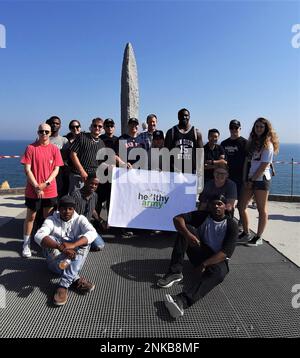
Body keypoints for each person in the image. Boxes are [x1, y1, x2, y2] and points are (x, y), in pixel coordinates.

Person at [157, 194, 238, 319]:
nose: (216, 206)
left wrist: (204, 264)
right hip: (201, 252)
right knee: (185, 229)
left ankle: (182, 301)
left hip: (218, 259)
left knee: (219, 274)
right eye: (214, 203)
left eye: (220, 204)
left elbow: (226, 253)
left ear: (225, 207)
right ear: (210, 206)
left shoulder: (231, 224)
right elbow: (177, 219)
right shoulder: (203, 216)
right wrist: (188, 235)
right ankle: (175, 272)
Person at [34, 195, 97, 306]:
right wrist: (61, 248)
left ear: (74, 209)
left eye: (70, 208)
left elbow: (92, 233)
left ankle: (63, 285)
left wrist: (73, 245)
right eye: (63, 208)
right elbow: (38, 235)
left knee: (85, 241)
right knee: (50, 239)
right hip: (55, 261)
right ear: (58, 208)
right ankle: (75, 278)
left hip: (71, 259)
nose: (66, 211)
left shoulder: (80, 219)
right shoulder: (51, 219)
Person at [21, 123, 64, 258]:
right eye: (41, 131)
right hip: (33, 190)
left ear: (50, 133)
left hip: (50, 190)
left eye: (46, 131)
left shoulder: (54, 149)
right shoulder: (30, 148)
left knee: (48, 218)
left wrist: (46, 183)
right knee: (31, 217)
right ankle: (26, 244)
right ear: (37, 132)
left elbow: (56, 169)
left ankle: (47, 244)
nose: (44, 134)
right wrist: (36, 186)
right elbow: (27, 169)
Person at [239, 117, 279, 246]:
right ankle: (246, 232)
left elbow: (264, 165)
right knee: (241, 206)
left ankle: (258, 236)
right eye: (257, 126)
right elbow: (247, 161)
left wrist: (251, 179)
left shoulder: (268, 144)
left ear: (266, 128)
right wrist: (246, 179)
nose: (259, 129)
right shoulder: (252, 143)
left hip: (261, 180)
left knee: (261, 209)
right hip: (250, 179)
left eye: (261, 127)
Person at [68, 117, 105, 194]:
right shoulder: (82, 137)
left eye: (100, 126)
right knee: (75, 200)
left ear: (102, 128)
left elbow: (100, 162)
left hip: (92, 179)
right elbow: (73, 154)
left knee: (87, 200)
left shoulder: (101, 143)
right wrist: (82, 171)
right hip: (78, 175)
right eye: (95, 125)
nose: (97, 128)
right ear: (91, 126)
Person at [221, 120, 248, 222]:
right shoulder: (224, 143)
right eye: (231, 127)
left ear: (240, 128)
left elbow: (249, 161)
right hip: (227, 177)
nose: (233, 130)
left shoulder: (245, 143)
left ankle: (241, 224)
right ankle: (228, 221)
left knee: (241, 204)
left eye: (236, 127)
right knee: (227, 203)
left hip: (241, 177)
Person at [71, 174, 105, 251]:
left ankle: (83, 244)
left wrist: (101, 221)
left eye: (96, 184)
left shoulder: (95, 195)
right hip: (74, 228)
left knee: (100, 245)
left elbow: (92, 210)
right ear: (86, 182)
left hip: (87, 228)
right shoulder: (75, 195)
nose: (93, 186)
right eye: (91, 183)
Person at [164, 108, 203, 174]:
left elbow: (201, 153)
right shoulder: (171, 132)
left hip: (191, 171)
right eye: (182, 115)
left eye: (186, 115)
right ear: (178, 117)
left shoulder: (196, 132)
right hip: (175, 171)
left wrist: (199, 169)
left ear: (189, 117)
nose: (184, 117)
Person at [46, 116, 70, 197]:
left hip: (61, 173)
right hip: (46, 172)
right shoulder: (43, 139)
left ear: (60, 126)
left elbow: (67, 158)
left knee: (60, 195)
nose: (54, 125)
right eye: (52, 123)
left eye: (57, 123)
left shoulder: (64, 140)